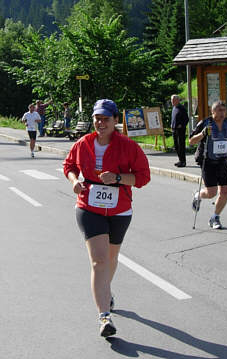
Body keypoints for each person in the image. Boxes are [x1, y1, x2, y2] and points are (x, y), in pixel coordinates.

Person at [63, 99, 150, 337]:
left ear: (115, 121)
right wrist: (75, 181)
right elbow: (69, 165)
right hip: (89, 207)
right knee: (99, 261)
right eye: (97, 119)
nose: (101, 123)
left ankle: (105, 291)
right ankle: (104, 317)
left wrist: (120, 178)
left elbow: (143, 177)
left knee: (111, 258)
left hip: (120, 209)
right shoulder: (83, 143)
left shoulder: (128, 146)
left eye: (106, 119)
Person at [189, 100, 227, 229]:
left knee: (225, 191)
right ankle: (198, 195)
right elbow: (191, 141)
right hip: (208, 161)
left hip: (223, 161)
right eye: (219, 110)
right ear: (213, 111)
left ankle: (215, 218)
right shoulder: (205, 123)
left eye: (224, 110)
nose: (222, 113)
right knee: (211, 193)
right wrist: (203, 133)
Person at [171, 95, 189, 167]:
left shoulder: (182, 108)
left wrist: (181, 125)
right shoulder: (174, 108)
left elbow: (186, 119)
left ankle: (183, 161)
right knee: (176, 146)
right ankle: (180, 160)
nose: (172, 102)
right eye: (172, 100)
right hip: (174, 129)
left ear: (178, 100)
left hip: (180, 130)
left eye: (174, 100)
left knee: (181, 145)